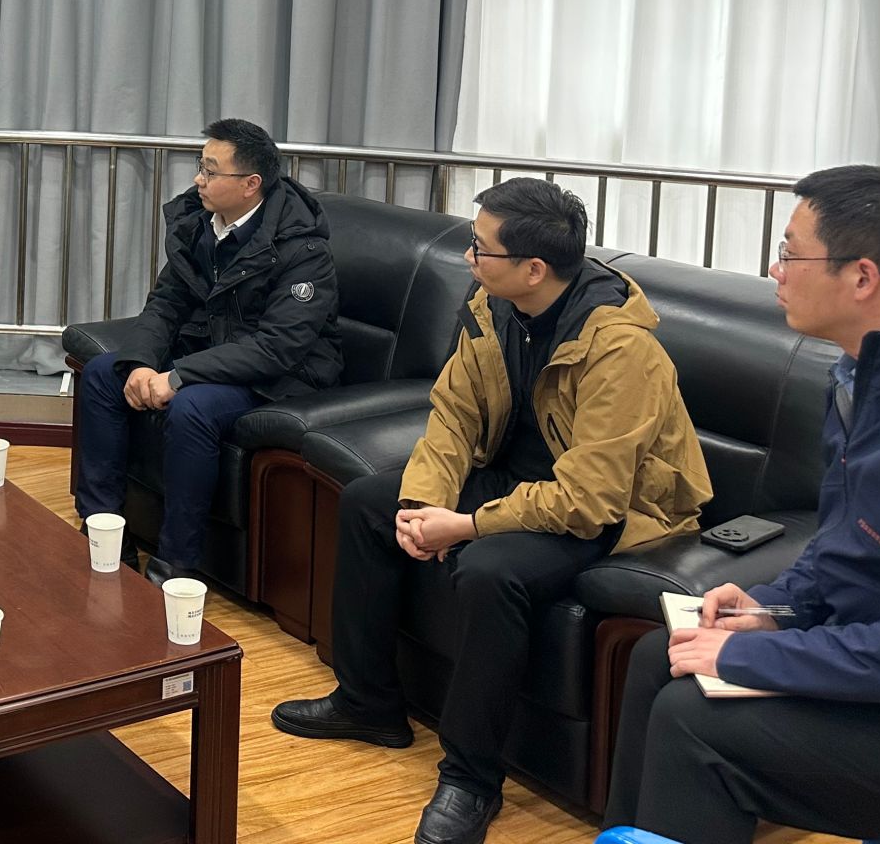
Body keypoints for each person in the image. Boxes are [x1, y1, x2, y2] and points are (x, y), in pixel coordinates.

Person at [605, 164, 880, 844]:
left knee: (697, 725)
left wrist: (748, 660)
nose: (775, 270)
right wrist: (774, 611)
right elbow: (849, 545)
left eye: (790, 253)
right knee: (660, 654)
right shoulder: (864, 380)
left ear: (863, 277)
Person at [273, 177, 711, 844]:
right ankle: (367, 703)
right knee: (368, 503)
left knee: (489, 569)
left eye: (481, 248)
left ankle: (471, 779)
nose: (468, 258)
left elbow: (589, 499)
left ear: (534, 269)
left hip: (614, 508)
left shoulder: (623, 351)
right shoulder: (493, 307)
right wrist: (423, 502)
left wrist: (467, 525)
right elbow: (453, 415)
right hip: (517, 480)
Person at [72, 117, 342, 585]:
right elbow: (166, 304)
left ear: (251, 184)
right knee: (102, 373)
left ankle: (176, 564)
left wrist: (178, 376)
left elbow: (278, 347)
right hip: (214, 354)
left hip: (281, 377)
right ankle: (103, 531)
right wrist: (140, 364)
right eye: (201, 167)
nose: (198, 179)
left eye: (211, 171)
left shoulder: (303, 250)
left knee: (191, 406)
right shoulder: (199, 225)